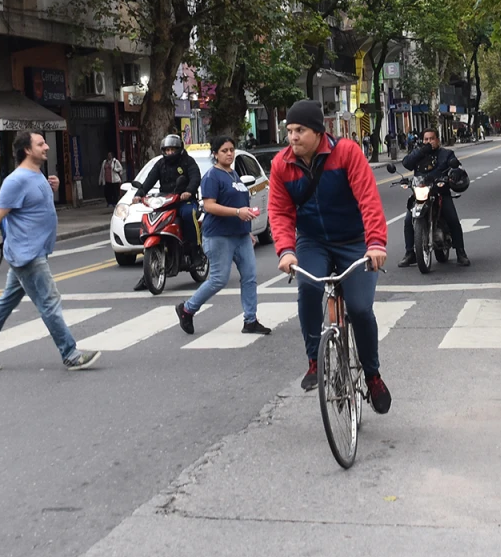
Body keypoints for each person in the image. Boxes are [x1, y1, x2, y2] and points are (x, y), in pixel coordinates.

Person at [269, 100, 391, 414]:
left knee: (361, 310)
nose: (292, 137)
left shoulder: (347, 153)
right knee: (308, 289)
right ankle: (314, 360)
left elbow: (369, 200)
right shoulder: (282, 165)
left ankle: (373, 375)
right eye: (289, 131)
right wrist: (286, 250)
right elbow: (280, 213)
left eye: (299, 130)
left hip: (354, 241)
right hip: (313, 242)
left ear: (318, 131)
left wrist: (376, 243)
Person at [0, 131, 101, 371]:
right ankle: (70, 353)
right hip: (27, 254)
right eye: (41, 143)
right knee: (49, 302)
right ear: (27, 150)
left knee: (6, 302)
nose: (47, 147)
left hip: (32, 250)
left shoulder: (37, 175)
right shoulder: (15, 181)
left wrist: (52, 188)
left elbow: (34, 206)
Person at [174, 136, 272, 336]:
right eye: (224, 150)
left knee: (250, 277)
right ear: (215, 154)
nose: (229, 154)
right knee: (219, 279)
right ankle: (187, 309)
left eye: (231, 150)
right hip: (219, 235)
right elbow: (209, 206)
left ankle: (250, 320)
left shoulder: (234, 175)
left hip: (241, 235)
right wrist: (237, 213)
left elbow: (240, 205)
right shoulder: (212, 176)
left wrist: (248, 231)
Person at [131, 134, 201, 291]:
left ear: (179, 149)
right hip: (166, 201)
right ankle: (148, 272)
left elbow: (195, 177)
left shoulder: (187, 161)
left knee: (188, 214)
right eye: (167, 150)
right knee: (153, 221)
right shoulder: (160, 164)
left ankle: (195, 251)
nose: (169, 153)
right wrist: (139, 194)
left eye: (172, 149)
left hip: (185, 201)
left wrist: (189, 191)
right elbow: (149, 180)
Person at [398, 128, 470, 268]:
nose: (429, 141)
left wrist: (453, 174)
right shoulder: (418, 154)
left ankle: (461, 252)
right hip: (421, 192)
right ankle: (410, 253)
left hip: (440, 191)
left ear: (437, 140)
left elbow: (455, 165)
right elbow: (406, 163)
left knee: (452, 219)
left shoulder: (446, 154)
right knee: (408, 220)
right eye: (426, 139)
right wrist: (421, 151)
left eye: (431, 138)